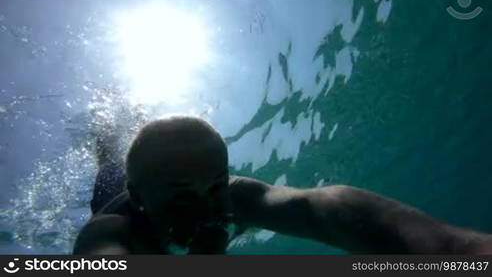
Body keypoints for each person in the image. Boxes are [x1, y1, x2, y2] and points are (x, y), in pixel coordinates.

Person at [73, 116, 492, 254]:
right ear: (142, 196)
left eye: (217, 183)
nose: (210, 208)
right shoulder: (108, 229)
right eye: (182, 195)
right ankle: (107, 138)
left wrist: (456, 250)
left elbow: (318, 206)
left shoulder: (235, 197)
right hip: (115, 187)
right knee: (110, 159)